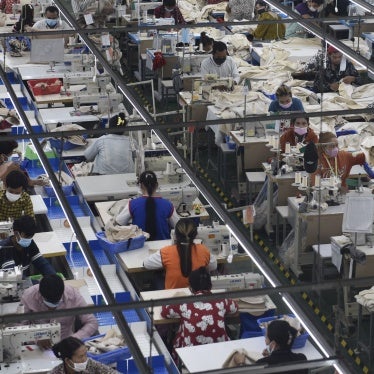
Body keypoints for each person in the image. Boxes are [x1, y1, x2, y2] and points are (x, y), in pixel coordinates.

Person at [161, 266, 238, 360]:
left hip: (191, 356)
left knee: (180, 333)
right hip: (220, 353)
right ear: (211, 286)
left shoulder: (184, 303)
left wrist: (176, 297)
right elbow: (235, 309)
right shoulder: (221, 300)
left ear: (190, 288)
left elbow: (164, 312)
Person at [21, 274, 98, 347]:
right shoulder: (29, 296)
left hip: (66, 343)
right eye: (48, 304)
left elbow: (92, 322)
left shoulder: (73, 295)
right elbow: (19, 326)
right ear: (41, 294)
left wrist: (73, 339)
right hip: (37, 346)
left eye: (56, 303)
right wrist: (35, 340)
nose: (52, 308)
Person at [143, 219, 217, 289]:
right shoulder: (203, 250)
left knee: (157, 276)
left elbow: (146, 264)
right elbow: (214, 266)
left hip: (174, 298)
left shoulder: (166, 252)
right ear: (196, 234)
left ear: (175, 235)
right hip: (196, 297)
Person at [115, 171, 179, 240]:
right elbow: (178, 226)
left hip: (139, 245)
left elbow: (119, 222)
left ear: (140, 185)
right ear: (157, 185)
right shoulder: (168, 205)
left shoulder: (132, 204)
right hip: (162, 245)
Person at [50, 336, 119, 374]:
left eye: (85, 354)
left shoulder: (90, 364)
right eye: (80, 357)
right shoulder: (56, 372)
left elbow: (111, 372)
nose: (85, 359)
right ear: (68, 360)